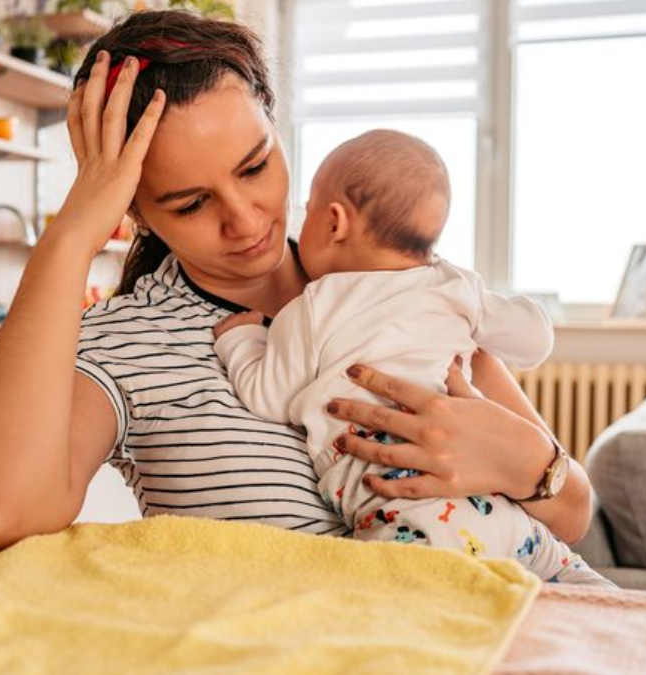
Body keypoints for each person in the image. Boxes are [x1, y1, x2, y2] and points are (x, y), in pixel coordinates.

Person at [0, 10, 595, 553]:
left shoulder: (389, 277)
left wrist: (527, 462)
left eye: (255, 166)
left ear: (277, 127)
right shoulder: (131, 341)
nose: (245, 219)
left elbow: (573, 512)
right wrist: (72, 234)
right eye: (191, 203)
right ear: (134, 210)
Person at [211, 130, 611, 585]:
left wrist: (241, 340)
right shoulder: (454, 285)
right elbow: (535, 341)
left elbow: (267, 394)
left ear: (335, 222)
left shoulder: (313, 307)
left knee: (393, 605)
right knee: (604, 603)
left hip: (417, 516)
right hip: (507, 517)